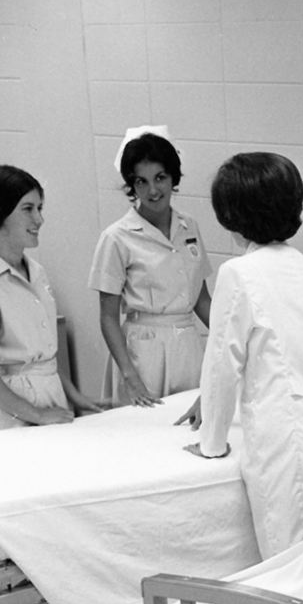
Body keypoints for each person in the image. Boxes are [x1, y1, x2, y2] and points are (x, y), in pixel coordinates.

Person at [177, 152, 303, 559]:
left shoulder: (238, 273)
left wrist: (211, 443)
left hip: (291, 436)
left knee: (297, 563)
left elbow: (222, 364)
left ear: (231, 214)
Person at [0, 165, 106, 604]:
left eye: (41, 208)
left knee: (57, 510)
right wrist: (36, 416)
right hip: (13, 411)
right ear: (0, 215)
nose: (39, 219)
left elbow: (45, 352)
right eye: (29, 209)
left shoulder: (34, 272)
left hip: (49, 400)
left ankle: (59, 603)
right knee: (25, 518)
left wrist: (72, 396)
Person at [88, 125, 213, 407]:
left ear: (173, 178)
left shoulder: (189, 227)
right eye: (142, 182)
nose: (153, 190)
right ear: (132, 185)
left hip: (188, 347)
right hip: (143, 355)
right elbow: (108, 317)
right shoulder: (116, 238)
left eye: (160, 178)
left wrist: (234, 338)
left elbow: (201, 300)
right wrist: (131, 377)